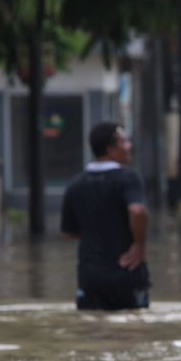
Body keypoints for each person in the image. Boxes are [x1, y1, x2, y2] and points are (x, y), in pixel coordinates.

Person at [60, 122, 151, 310]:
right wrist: (139, 245)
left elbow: (69, 232)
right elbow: (137, 211)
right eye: (124, 142)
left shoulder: (75, 184)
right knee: (133, 332)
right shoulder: (129, 178)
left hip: (90, 278)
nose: (129, 146)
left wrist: (97, 232)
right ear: (110, 149)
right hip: (127, 273)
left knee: (92, 332)